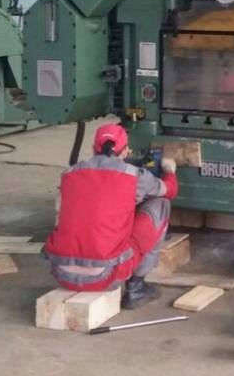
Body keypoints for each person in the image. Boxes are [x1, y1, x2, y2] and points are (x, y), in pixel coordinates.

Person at [43, 123, 178, 309]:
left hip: (61, 273)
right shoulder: (135, 176)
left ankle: (134, 287)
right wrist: (170, 171)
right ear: (126, 151)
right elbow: (170, 190)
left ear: (93, 148)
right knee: (161, 204)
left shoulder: (70, 173)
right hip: (105, 276)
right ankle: (136, 288)